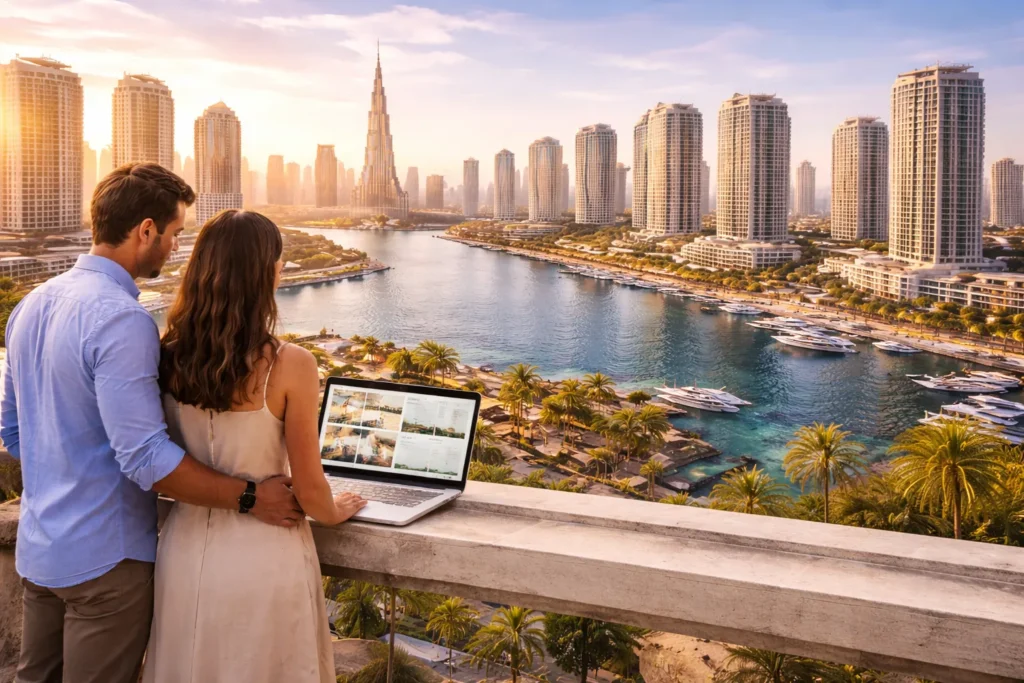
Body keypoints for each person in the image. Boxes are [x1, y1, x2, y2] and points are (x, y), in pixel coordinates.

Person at [0, 163, 303, 683]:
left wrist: (68, 474)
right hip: (106, 560)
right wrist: (252, 497)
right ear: (146, 230)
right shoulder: (122, 319)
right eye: (175, 233)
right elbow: (147, 459)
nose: (176, 248)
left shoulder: (30, 306)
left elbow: (12, 433)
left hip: (40, 551)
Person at [143, 209, 366, 683]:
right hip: (265, 555)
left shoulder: (165, 353)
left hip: (182, 555)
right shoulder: (291, 364)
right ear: (268, 274)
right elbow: (310, 492)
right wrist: (338, 508)